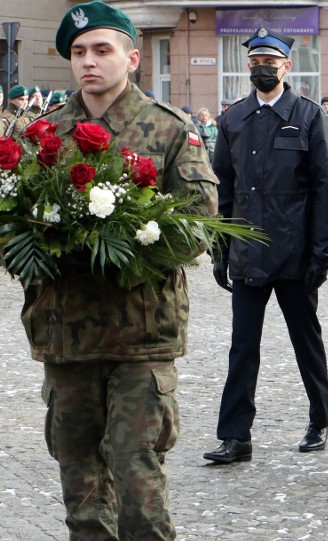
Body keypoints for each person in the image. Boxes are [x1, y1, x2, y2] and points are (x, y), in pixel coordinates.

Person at [26, 2, 218, 538]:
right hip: (67, 333)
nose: (89, 61)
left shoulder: (171, 130)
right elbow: (13, 220)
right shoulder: (45, 133)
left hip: (141, 332)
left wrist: (130, 247)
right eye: (79, 52)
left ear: (132, 58)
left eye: (102, 50)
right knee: (79, 480)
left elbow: (200, 224)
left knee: (138, 475)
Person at [204, 25, 328, 464]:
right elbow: (223, 188)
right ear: (249, 67)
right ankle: (235, 436)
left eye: (271, 62)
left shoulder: (307, 114)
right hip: (247, 251)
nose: (263, 68)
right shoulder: (233, 118)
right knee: (242, 346)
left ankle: (320, 420)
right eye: (256, 62)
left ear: (287, 66)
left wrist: (324, 252)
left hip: (295, 253)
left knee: (306, 341)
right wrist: (219, 248)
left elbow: (326, 187)